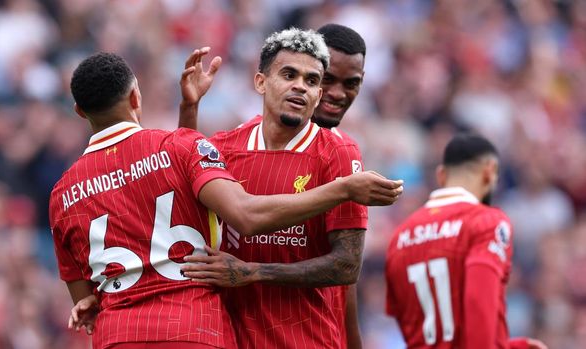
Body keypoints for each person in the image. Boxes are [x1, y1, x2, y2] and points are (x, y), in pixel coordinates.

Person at [51, 52, 402, 349]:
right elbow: (245, 213)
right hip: (193, 326)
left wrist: (189, 108)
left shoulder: (61, 194)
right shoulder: (178, 147)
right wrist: (344, 189)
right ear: (135, 98)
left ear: (79, 111)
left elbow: (85, 299)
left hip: (118, 335)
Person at [177, 27, 403, 348]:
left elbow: (346, 265)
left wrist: (254, 272)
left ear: (317, 95)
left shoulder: (338, 153)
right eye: (289, 75)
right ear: (261, 82)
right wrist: (189, 109)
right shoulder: (225, 147)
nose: (300, 86)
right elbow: (187, 176)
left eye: (311, 81)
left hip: (306, 339)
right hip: (233, 337)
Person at [384, 134, 547, 349]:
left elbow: (423, 326)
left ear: (441, 176)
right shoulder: (486, 222)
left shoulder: (399, 237)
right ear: (489, 172)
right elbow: (479, 302)